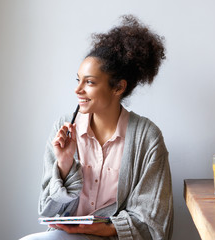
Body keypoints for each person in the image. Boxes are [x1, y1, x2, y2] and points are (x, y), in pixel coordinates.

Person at [20, 15, 173, 240]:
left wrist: (107, 229)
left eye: (89, 82)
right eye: (78, 80)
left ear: (118, 87)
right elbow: (47, 209)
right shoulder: (63, 129)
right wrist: (64, 164)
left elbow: (154, 219)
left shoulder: (147, 137)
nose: (78, 89)